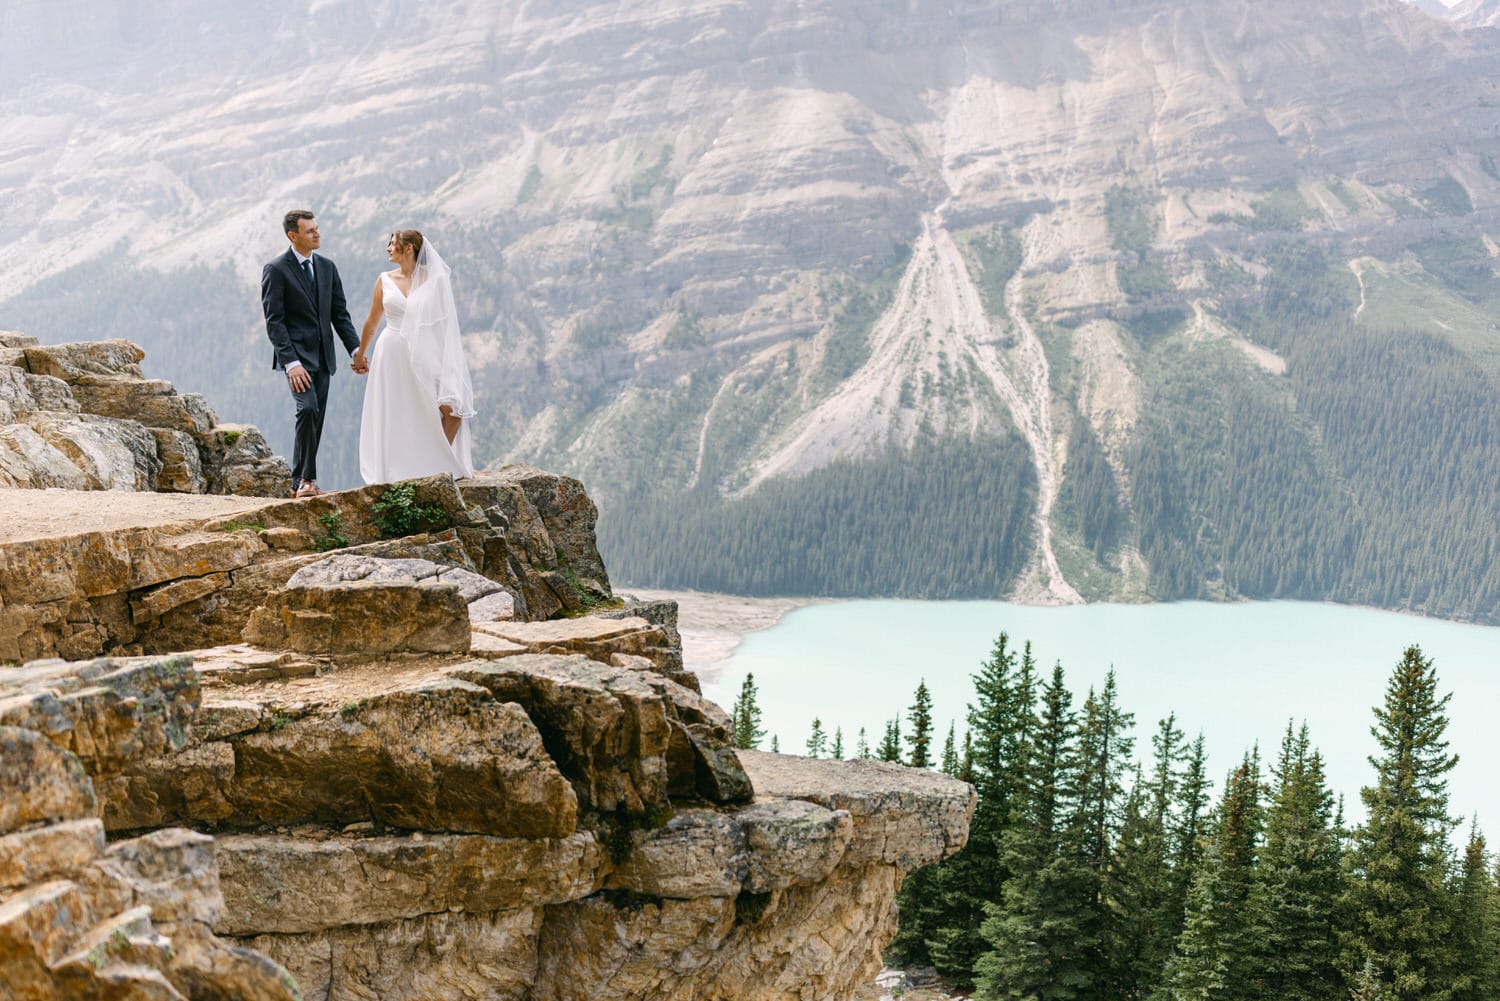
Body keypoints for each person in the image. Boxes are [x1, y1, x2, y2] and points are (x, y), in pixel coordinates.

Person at [352, 229, 476, 483]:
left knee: (452, 410)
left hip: (425, 351)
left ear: (408, 248)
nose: (387, 248)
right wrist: (360, 354)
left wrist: (445, 360)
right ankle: (400, 468)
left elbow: (444, 324)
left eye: (392, 244)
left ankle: (436, 463)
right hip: (391, 351)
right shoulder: (384, 280)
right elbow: (372, 322)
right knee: (398, 409)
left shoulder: (435, 280)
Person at [261, 210, 365, 498]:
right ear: (293, 236)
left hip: (324, 357)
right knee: (307, 409)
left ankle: (303, 481)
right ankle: (305, 480)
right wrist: (290, 363)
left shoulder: (328, 268)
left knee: (314, 417)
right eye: (310, 231)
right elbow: (275, 321)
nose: (317, 234)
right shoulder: (276, 269)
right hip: (297, 359)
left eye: (317, 229)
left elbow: (339, 315)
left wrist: (356, 350)